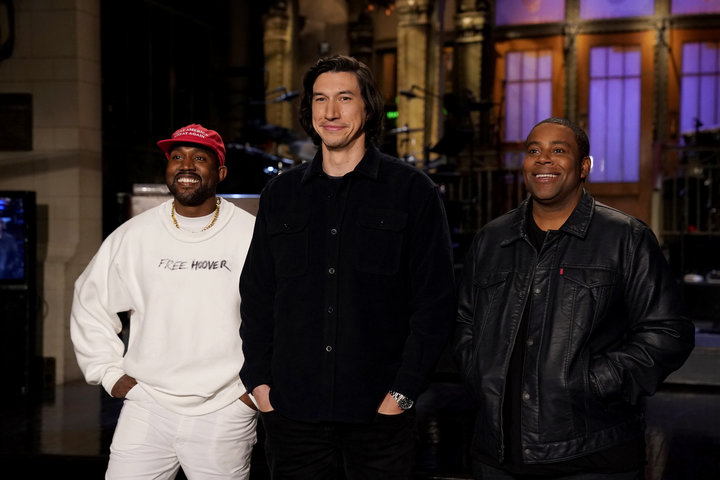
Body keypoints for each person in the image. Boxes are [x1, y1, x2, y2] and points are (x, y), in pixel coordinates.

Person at [239, 55, 456, 479]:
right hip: (293, 415)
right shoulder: (281, 194)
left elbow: (435, 301)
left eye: (344, 98)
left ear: (368, 107)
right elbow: (258, 296)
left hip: (379, 416)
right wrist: (260, 384)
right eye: (320, 99)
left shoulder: (411, 191)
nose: (331, 112)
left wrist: (403, 393)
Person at [454, 117, 695, 479]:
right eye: (534, 150)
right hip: (496, 454)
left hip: (592, 455)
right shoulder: (492, 239)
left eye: (559, 151)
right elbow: (466, 323)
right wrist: (478, 371)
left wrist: (594, 382)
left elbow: (668, 331)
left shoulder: (625, 238)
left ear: (584, 167)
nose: (543, 160)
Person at [70, 124, 258, 479]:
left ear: (220, 172)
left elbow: (283, 314)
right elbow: (90, 302)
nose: (185, 165)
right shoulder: (135, 235)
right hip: (148, 405)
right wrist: (109, 374)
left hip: (224, 407)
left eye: (199, 158)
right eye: (176, 157)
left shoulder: (250, 234)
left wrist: (252, 392)